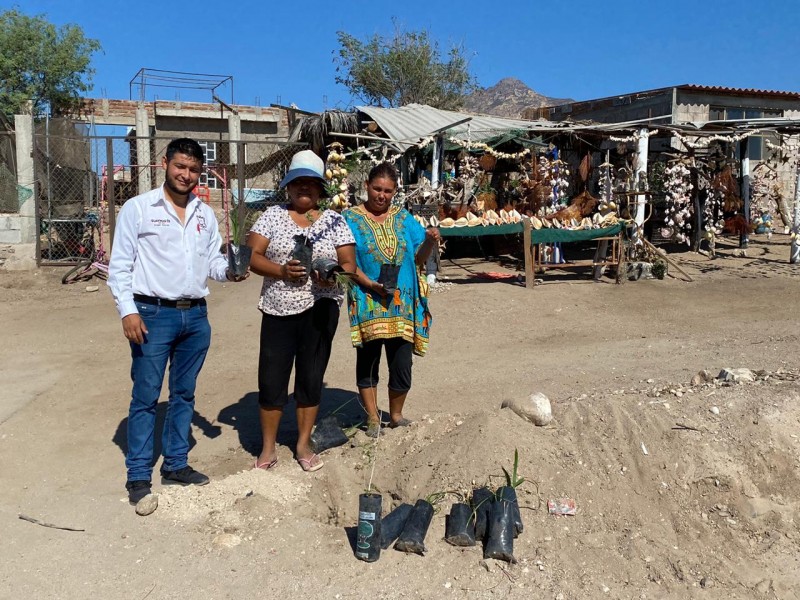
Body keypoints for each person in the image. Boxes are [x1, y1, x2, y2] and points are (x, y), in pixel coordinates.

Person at [108, 138, 248, 507]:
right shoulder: (138, 209)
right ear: (165, 164)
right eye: (180, 167)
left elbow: (212, 264)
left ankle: (175, 465)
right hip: (152, 314)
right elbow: (119, 266)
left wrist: (230, 272)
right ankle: (138, 475)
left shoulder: (204, 214)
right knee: (146, 396)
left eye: (193, 170)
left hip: (195, 317)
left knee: (184, 393)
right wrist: (128, 311)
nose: (186, 175)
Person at [247, 150, 356, 473]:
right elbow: (251, 256)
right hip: (278, 310)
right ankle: (268, 447)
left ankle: (303, 443)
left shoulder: (334, 221)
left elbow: (349, 264)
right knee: (271, 379)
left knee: (311, 377)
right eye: (298, 183)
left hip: (320, 310)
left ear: (321, 188)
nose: (304, 189)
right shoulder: (271, 215)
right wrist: (281, 271)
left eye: (311, 183)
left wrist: (331, 273)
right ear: (289, 187)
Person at [343, 163, 440, 438]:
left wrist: (430, 242)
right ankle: (373, 418)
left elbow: (418, 260)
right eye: (377, 189)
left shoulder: (403, 217)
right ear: (366, 187)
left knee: (401, 364)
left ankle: (395, 415)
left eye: (387, 191)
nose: (381, 195)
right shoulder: (350, 218)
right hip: (368, 300)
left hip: (402, 303)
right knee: (369, 361)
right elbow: (346, 261)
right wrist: (369, 283)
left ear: (395, 192)